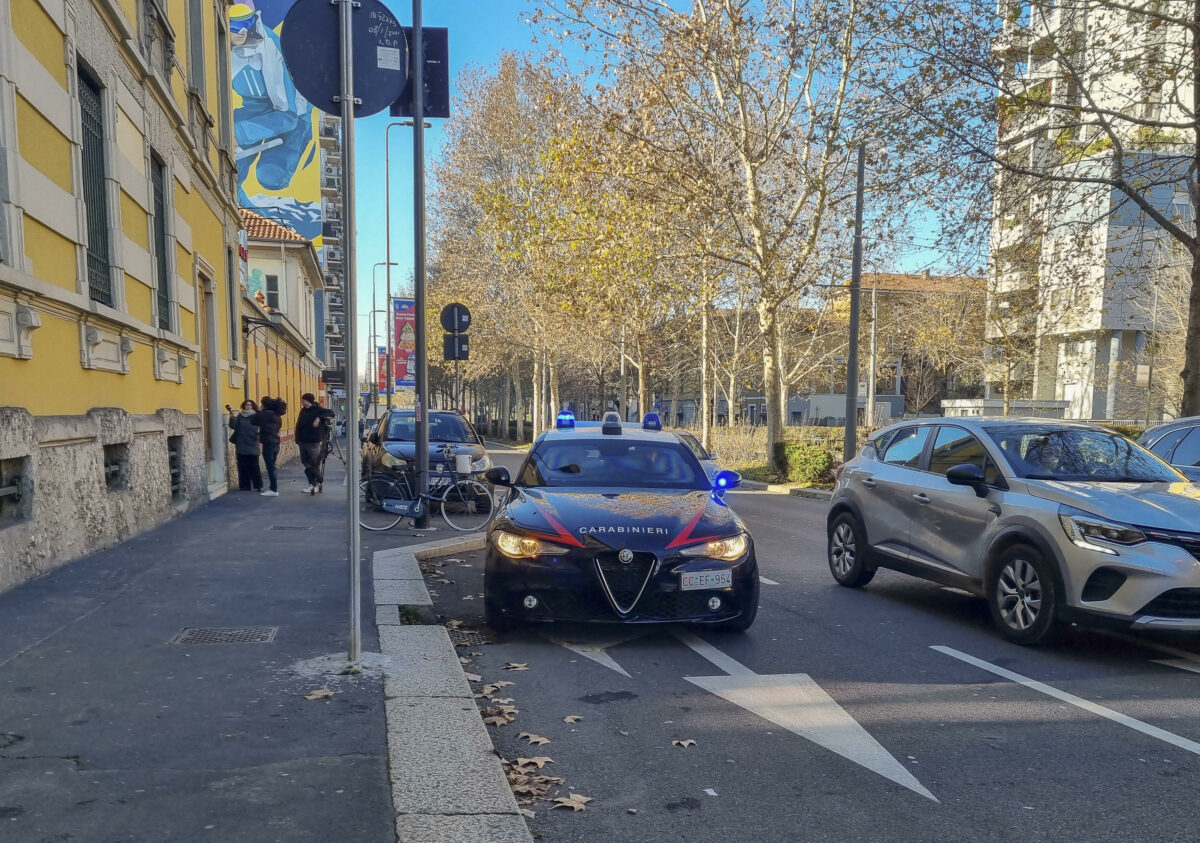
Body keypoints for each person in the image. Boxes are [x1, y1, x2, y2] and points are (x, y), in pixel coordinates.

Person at [295, 393, 333, 494]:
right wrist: (297, 439)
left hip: (313, 441)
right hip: (302, 441)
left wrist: (318, 418)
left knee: (315, 463)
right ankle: (315, 482)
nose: (302, 401)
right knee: (306, 463)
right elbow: (299, 424)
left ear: (309, 401)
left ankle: (314, 483)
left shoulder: (317, 409)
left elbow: (331, 412)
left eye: (303, 400)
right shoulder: (303, 410)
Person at [227, 400, 263, 492]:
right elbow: (234, 426)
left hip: (253, 443)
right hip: (241, 443)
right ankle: (244, 485)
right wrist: (231, 418)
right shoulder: (240, 416)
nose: (248, 406)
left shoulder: (256, 416)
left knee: (254, 466)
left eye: (250, 405)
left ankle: (258, 485)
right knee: (242, 466)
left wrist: (259, 435)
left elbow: (261, 426)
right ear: (244, 406)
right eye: (246, 405)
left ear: (253, 406)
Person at [257, 397, 283, 497]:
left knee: (270, 467)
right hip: (276, 441)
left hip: (268, 443)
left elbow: (254, 421)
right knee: (272, 466)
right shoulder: (277, 415)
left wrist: (259, 411)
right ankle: (273, 488)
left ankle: (273, 489)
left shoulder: (263, 415)